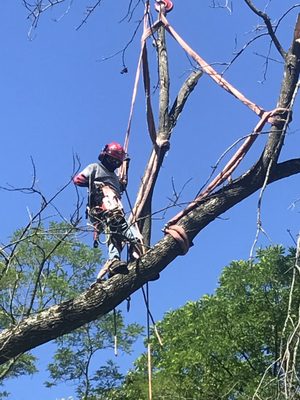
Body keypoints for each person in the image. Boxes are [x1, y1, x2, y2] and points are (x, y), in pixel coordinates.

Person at [73, 141, 143, 280]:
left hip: (115, 206)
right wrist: (96, 185)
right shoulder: (95, 167)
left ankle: (118, 261)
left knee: (116, 235)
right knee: (118, 228)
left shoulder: (116, 178)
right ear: (104, 157)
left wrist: (126, 167)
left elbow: (121, 187)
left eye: (116, 161)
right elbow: (78, 180)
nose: (113, 163)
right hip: (103, 205)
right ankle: (132, 247)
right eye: (111, 159)